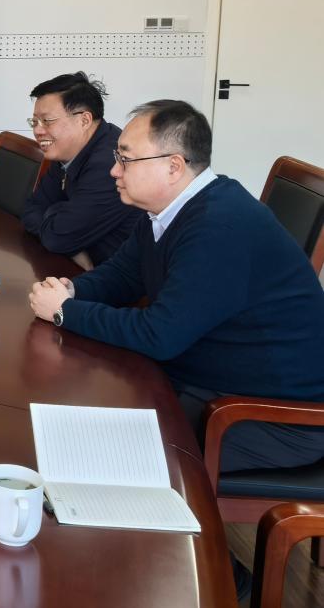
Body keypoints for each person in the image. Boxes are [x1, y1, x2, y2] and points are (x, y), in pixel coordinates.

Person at [29, 100, 324, 475]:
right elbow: (123, 274)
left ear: (173, 166)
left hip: (269, 417)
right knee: (72, 416)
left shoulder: (220, 226)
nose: (114, 170)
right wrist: (72, 291)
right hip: (205, 380)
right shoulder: (167, 210)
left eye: (125, 160)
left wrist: (65, 312)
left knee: (99, 455)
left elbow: (160, 335)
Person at [20, 72, 143, 267]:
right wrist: (72, 244)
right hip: (85, 267)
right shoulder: (68, 150)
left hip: (120, 277)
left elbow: (58, 238)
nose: (37, 130)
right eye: (34, 122)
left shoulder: (110, 165)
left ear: (84, 120)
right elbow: (31, 209)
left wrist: (55, 212)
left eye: (47, 121)